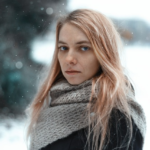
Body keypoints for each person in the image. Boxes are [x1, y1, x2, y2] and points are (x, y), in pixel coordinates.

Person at [25, 9, 146, 150]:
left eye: (83, 48)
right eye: (63, 48)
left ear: (104, 53)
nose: (69, 59)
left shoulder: (117, 119)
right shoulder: (54, 101)